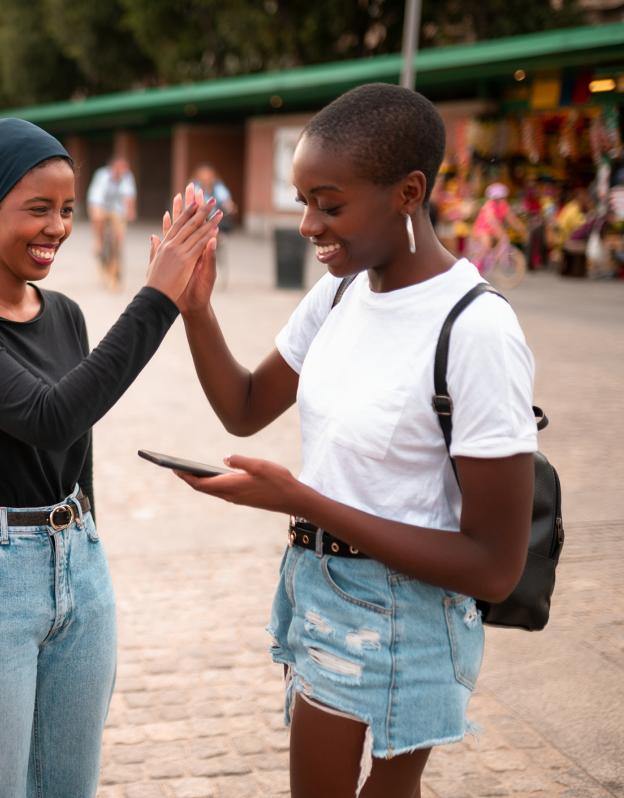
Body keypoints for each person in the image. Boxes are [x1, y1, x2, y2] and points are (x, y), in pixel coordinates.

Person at [170, 84, 536, 796]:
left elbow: (495, 567)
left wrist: (300, 500)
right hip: (318, 585)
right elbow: (245, 407)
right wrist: (196, 309)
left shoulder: (475, 330)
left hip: (408, 611)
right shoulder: (340, 292)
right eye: (303, 201)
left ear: (409, 193)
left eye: (329, 205)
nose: (308, 225)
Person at [0, 117, 220, 797]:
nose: (58, 227)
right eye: (38, 208)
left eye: (68, 209)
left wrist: (88, 542)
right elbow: (50, 418)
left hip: (78, 566)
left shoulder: (66, 313)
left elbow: (78, 448)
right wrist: (158, 298)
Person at [86, 154, 137, 289]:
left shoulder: (127, 176)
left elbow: (129, 196)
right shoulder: (102, 175)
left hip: (117, 210)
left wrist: (130, 211)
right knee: (97, 217)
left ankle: (116, 271)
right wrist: (97, 213)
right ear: (113, 167)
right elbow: (95, 198)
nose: (123, 172)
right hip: (101, 206)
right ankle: (98, 241)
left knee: (118, 238)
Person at [469, 182, 526, 271]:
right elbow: (492, 220)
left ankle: (494, 258)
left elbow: (511, 218)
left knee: (504, 239)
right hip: (482, 229)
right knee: (486, 244)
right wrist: (501, 231)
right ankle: (476, 263)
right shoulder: (489, 206)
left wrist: (520, 228)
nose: (500, 200)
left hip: (493, 230)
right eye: (498, 198)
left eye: (502, 198)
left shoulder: (503, 205)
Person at [191, 163, 238, 232]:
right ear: (198, 178)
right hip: (200, 219)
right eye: (203, 178)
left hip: (216, 219)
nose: (206, 180)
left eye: (209, 177)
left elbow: (226, 201)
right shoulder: (194, 187)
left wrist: (230, 207)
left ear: (213, 177)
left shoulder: (218, 187)